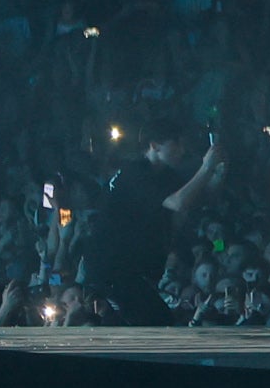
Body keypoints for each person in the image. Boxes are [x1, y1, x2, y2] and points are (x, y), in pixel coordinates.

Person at [79, 128, 224, 325]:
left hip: (133, 270)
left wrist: (217, 173)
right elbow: (177, 203)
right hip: (112, 268)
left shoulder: (166, 176)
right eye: (176, 145)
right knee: (158, 323)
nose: (182, 151)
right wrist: (206, 168)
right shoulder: (135, 172)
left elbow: (196, 198)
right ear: (155, 146)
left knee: (150, 323)